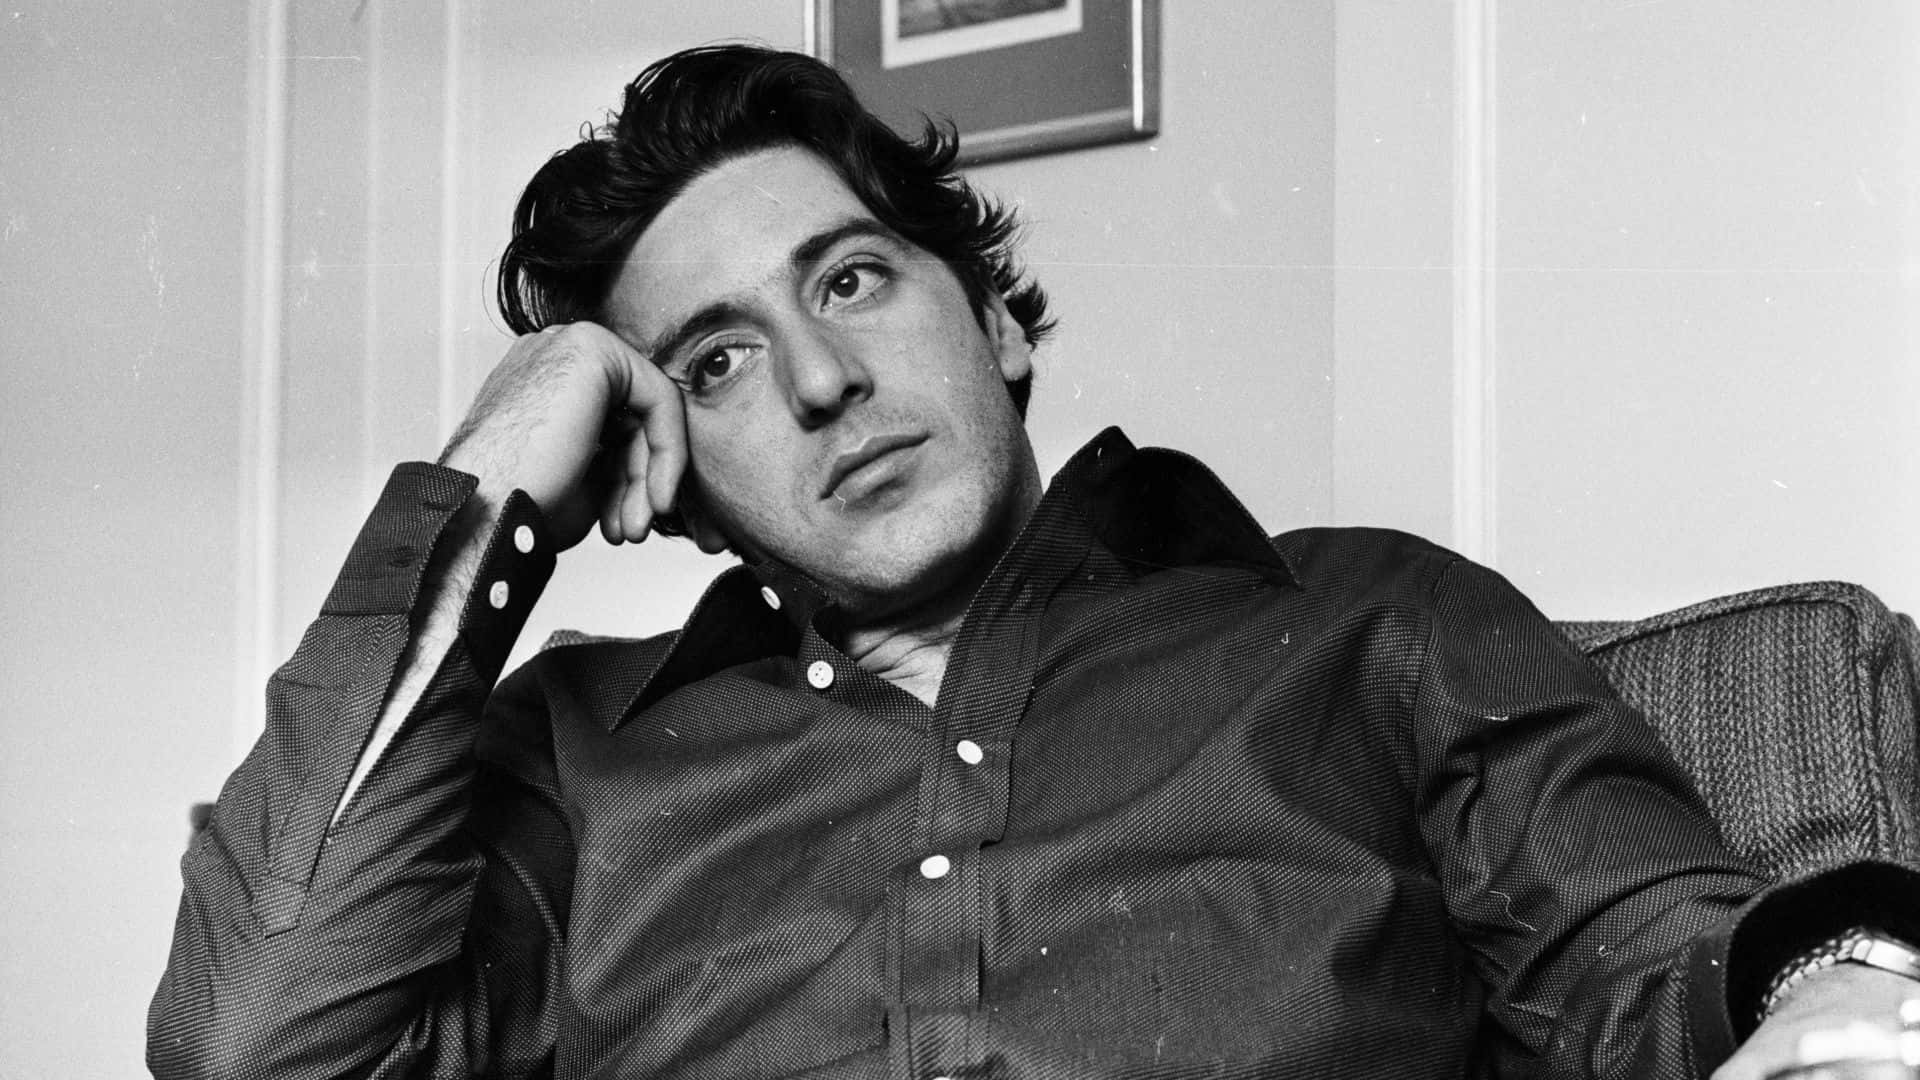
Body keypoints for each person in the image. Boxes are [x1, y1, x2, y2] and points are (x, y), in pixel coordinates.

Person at [149, 44, 1920, 1080]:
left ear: (993, 319)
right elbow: (254, 1051)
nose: (824, 378)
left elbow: (1652, 966)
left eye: (852, 280)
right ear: (663, 476)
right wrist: (491, 478)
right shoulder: (576, 759)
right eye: (719, 361)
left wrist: (1840, 974)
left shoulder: (1365, 621)